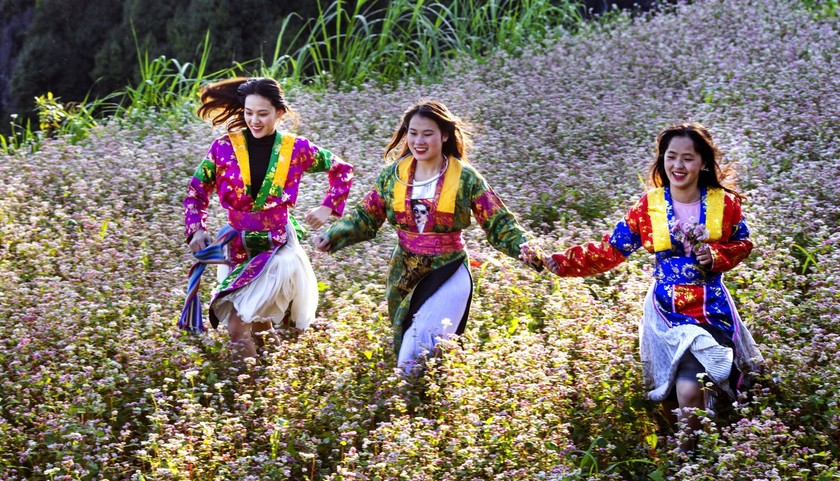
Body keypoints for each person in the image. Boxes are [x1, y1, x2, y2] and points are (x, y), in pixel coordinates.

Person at [539, 122, 764, 453]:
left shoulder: (723, 204)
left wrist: (715, 255)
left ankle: (690, 467)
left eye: (687, 158)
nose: (678, 166)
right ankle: (692, 457)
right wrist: (560, 263)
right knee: (673, 400)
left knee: (691, 391)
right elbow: (611, 250)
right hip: (666, 314)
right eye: (671, 157)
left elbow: (743, 243)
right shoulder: (649, 206)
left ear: (703, 163)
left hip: (711, 312)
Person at [314, 99, 544, 374]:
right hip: (404, 272)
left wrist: (530, 251)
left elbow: (499, 223)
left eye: (427, 133)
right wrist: (333, 236)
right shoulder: (392, 175)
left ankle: (414, 403)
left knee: (418, 350)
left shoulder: (466, 178)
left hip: (448, 269)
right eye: (412, 133)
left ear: (445, 135)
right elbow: (366, 216)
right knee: (412, 346)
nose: (418, 141)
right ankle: (421, 408)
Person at [179, 77, 353, 369]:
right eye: (248, 113)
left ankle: (247, 398)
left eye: (263, 113)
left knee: (238, 322)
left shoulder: (295, 148)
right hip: (236, 247)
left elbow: (341, 170)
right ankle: (275, 378)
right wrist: (196, 228)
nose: (254, 120)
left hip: (277, 247)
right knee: (258, 324)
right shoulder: (223, 148)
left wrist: (328, 207)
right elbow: (196, 192)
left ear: (279, 113)